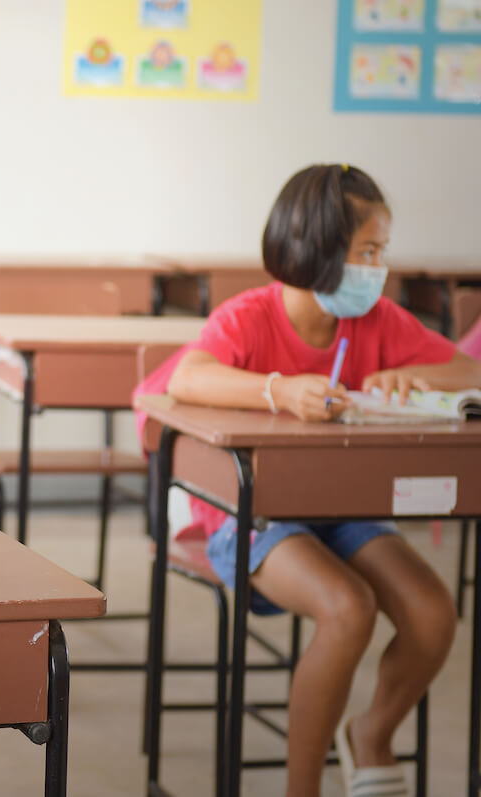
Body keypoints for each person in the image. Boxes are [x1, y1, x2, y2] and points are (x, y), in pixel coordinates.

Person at [136, 164, 481, 797]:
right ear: (317, 249)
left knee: (433, 614)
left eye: (382, 251)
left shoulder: (378, 318)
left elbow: (466, 369)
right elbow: (187, 378)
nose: (378, 269)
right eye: (367, 252)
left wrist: (415, 377)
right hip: (250, 514)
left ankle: (370, 734)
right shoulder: (250, 316)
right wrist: (280, 390)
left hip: (342, 508)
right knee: (348, 608)